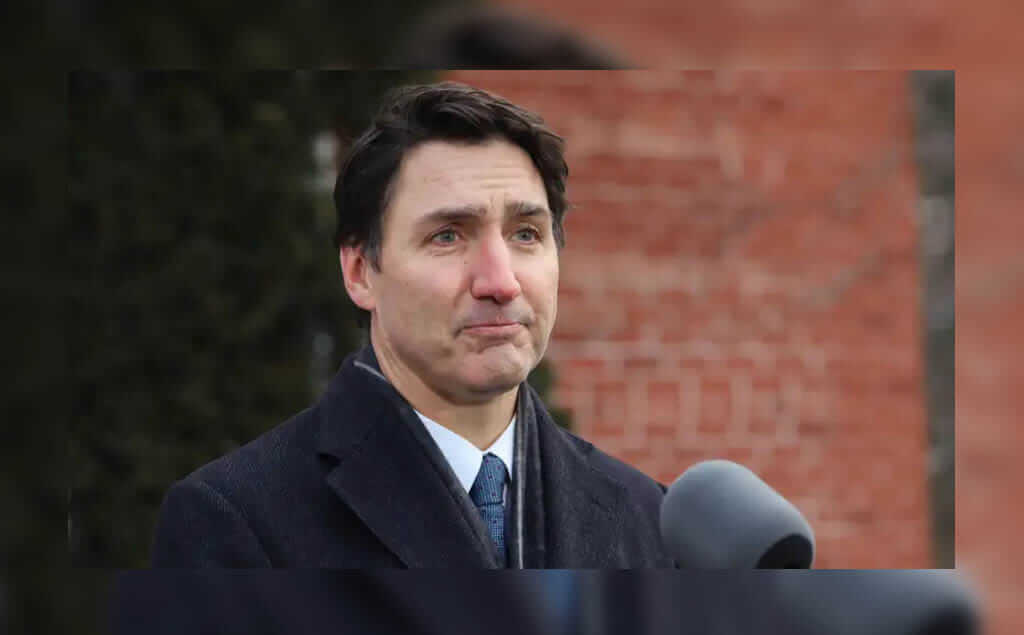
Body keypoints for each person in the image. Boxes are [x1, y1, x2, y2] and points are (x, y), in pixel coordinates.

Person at [151, 81, 672, 568]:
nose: (501, 281)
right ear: (360, 273)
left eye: (527, 234)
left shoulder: (647, 519)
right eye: (448, 235)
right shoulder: (235, 525)